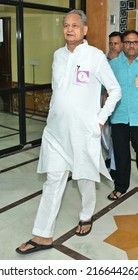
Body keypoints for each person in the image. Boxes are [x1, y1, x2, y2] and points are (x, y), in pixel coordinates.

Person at [16, 9, 121, 254]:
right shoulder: (58, 55)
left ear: (84, 30)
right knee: (53, 180)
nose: (69, 29)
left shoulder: (95, 56)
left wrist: (100, 119)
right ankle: (42, 235)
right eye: (65, 25)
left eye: (74, 25)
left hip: (83, 132)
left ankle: (86, 215)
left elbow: (115, 90)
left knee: (84, 178)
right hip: (55, 132)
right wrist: (52, 117)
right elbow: (57, 90)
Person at [107, 29, 138, 200]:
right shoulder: (113, 65)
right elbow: (105, 90)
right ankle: (120, 186)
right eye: (127, 42)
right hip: (119, 117)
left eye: (134, 42)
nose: (131, 45)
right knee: (121, 153)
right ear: (123, 44)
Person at [102, 31, 123, 178]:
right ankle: (109, 158)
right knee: (105, 135)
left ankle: (115, 167)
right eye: (111, 43)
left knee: (116, 136)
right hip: (104, 104)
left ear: (122, 44)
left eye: (116, 43)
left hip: (119, 105)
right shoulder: (104, 58)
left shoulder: (124, 60)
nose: (113, 46)